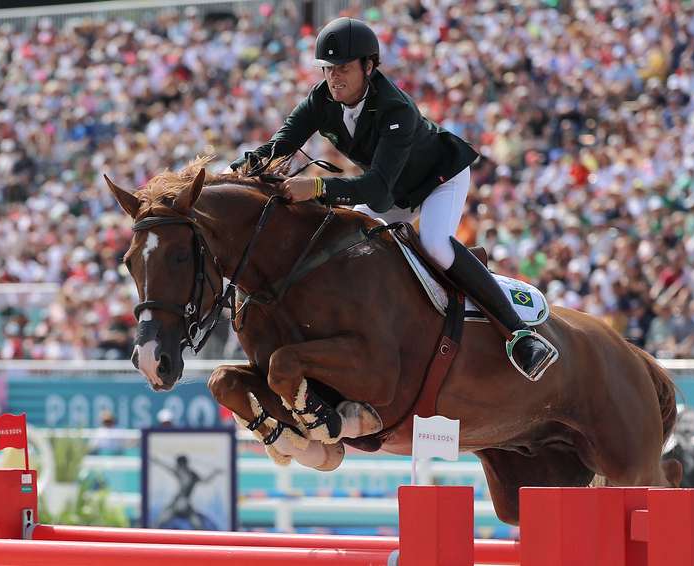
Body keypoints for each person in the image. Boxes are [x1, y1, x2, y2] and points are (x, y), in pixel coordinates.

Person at [230, 17, 558, 381]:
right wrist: (234, 175)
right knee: (344, 245)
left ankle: (519, 334)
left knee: (435, 246)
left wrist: (319, 188)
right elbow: (279, 147)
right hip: (393, 186)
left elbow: (377, 190)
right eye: (327, 69)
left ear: (369, 66)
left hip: (438, 179)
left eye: (342, 68)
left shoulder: (394, 108)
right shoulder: (320, 100)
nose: (333, 77)